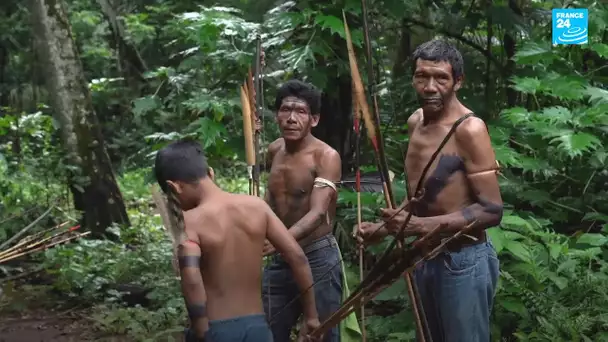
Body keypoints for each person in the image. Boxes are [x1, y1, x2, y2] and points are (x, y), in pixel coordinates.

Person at [355, 39, 503, 342]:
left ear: (458, 81)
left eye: (441, 77)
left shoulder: (469, 129)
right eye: (422, 76)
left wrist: (418, 226)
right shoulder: (416, 123)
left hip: (463, 260)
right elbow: (423, 198)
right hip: (425, 257)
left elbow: (491, 210)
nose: (430, 86)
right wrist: (384, 229)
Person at [153, 139, 321, 342]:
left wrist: (200, 328)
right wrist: (311, 316)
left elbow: (191, 280)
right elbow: (298, 258)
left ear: (174, 187)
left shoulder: (191, 223)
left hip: (216, 330)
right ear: (211, 173)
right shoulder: (257, 207)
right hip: (258, 329)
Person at [261, 79, 349, 342]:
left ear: (314, 119)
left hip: (317, 255)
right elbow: (271, 197)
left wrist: (280, 240)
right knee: (266, 329)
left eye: (300, 112)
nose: (291, 118)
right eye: (285, 110)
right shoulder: (275, 150)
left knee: (320, 333)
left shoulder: (325, 156)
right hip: (281, 259)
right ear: (277, 115)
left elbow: (318, 213)